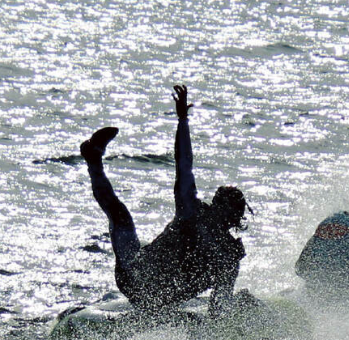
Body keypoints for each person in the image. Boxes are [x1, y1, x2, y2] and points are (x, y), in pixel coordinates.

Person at [80, 85, 248, 315]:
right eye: (219, 205)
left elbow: (219, 305)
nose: (219, 212)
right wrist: (182, 121)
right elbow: (184, 166)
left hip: (158, 299)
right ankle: (93, 160)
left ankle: (94, 161)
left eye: (227, 209)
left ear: (234, 218)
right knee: (121, 218)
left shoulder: (229, 255)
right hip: (134, 276)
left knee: (124, 220)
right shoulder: (193, 213)